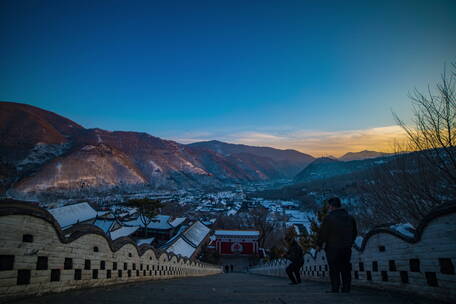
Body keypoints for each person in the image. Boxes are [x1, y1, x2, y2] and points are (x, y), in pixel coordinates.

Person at [316, 197, 357, 293]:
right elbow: (354, 232)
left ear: (331, 206)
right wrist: (349, 242)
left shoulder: (328, 218)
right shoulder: (350, 218)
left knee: (334, 269)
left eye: (328, 206)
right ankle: (346, 288)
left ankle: (335, 288)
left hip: (333, 248)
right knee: (345, 268)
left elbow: (323, 233)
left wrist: (319, 244)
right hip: (346, 248)